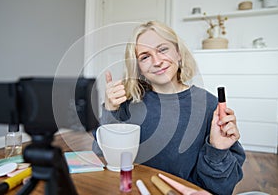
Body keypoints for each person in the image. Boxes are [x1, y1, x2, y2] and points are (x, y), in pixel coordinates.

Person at [93, 21, 245, 194]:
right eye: (144, 56)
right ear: (139, 68)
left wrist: (217, 150)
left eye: (163, 49)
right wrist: (110, 110)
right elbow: (101, 155)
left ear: (179, 53)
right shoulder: (128, 103)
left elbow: (222, 188)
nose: (157, 61)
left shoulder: (208, 105)